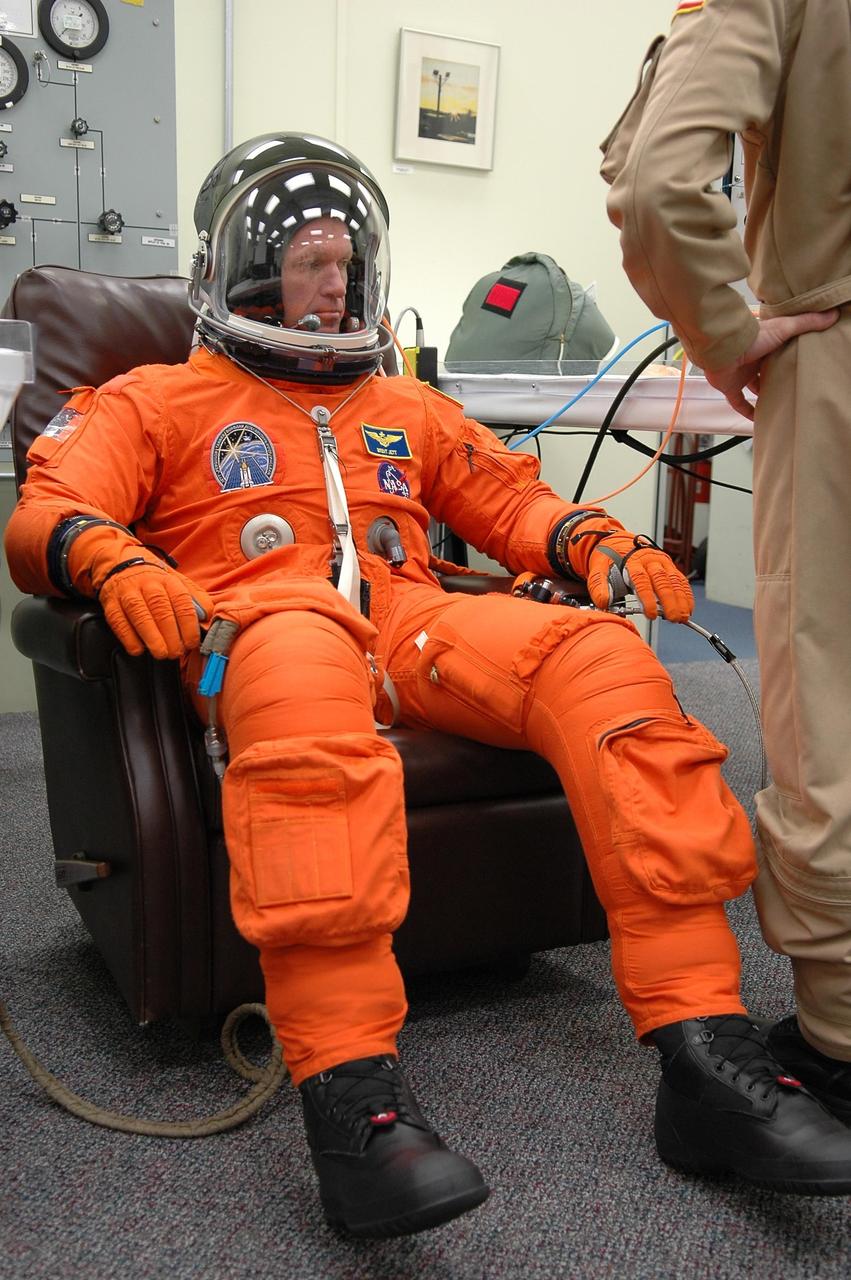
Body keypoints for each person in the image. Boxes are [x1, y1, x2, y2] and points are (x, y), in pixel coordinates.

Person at [7, 133, 851, 1239]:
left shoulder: (404, 405)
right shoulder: (151, 399)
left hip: (410, 620)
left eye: (347, 263)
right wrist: (109, 557)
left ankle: (707, 1055)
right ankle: (355, 1096)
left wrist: (588, 539)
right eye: (312, 260)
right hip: (260, 623)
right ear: (240, 267)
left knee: (605, 663)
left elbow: (508, 504)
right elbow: (44, 510)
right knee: (306, 660)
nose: (335, 282)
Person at [602, 0, 851, 1127]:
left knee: (827, 700)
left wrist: (725, 327)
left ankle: (841, 1029)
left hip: (829, 346)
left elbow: (655, 182)